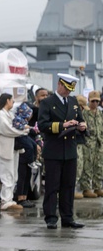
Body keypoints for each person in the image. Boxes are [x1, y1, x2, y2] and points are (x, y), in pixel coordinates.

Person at [38, 74, 86, 229]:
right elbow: (43, 125)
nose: (68, 92)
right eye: (66, 88)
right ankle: (51, 217)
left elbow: (79, 118)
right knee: (52, 186)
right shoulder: (47, 102)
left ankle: (68, 217)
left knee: (68, 186)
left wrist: (82, 126)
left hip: (70, 150)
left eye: (70, 89)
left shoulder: (73, 101)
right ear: (59, 84)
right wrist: (62, 125)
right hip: (54, 150)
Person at [0, 93, 29, 212]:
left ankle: (9, 199)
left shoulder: (9, 114)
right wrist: (22, 131)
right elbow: (8, 129)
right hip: (4, 149)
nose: (13, 103)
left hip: (12, 148)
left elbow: (15, 126)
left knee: (13, 175)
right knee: (7, 175)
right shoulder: (1, 114)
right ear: (7, 100)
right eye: (12, 100)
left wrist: (24, 128)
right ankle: (5, 201)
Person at [78, 90, 103, 198]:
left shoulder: (100, 113)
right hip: (88, 143)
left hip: (99, 142)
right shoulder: (84, 112)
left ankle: (97, 187)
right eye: (93, 101)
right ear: (88, 100)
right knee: (87, 166)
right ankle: (86, 188)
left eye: (97, 101)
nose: (95, 103)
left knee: (99, 165)